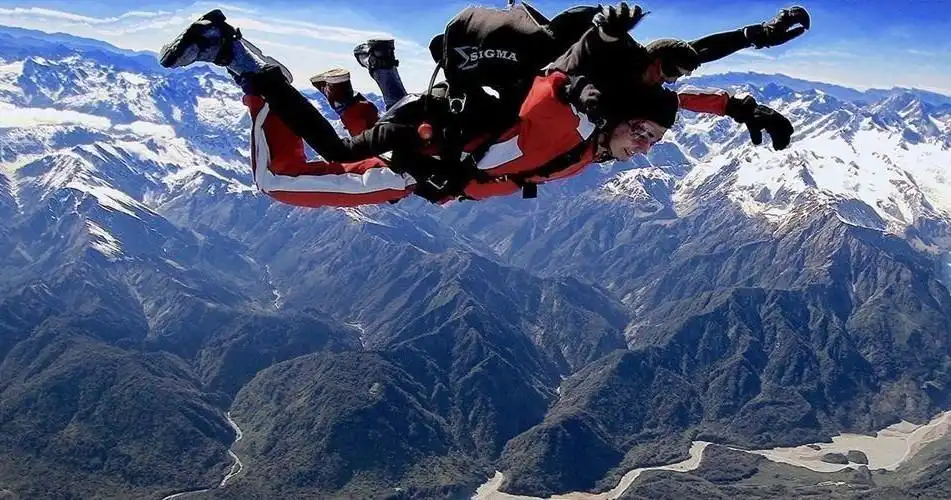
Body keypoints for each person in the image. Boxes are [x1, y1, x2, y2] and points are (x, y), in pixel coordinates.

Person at [159, 10, 791, 208]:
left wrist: (741, 107)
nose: (648, 143)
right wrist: (599, 38)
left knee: (393, 130)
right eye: (643, 134)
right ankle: (242, 62)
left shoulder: (604, 129)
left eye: (652, 137)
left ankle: (361, 83)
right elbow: (566, 77)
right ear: (616, 114)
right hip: (427, 153)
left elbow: (682, 90)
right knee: (284, 180)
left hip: (446, 141)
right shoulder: (573, 112)